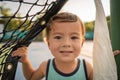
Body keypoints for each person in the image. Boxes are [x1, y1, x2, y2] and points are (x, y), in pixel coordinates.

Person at [12, 12, 93, 80]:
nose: (66, 43)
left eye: (74, 37)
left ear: (82, 43)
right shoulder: (46, 66)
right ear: (49, 43)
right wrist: (25, 62)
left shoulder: (87, 68)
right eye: (58, 37)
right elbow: (31, 78)